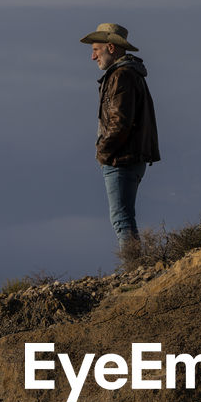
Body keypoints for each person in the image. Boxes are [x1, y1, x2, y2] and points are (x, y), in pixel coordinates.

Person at [80, 22, 160, 256]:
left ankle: (134, 269)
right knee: (124, 217)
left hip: (121, 158)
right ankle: (136, 268)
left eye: (96, 49)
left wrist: (103, 153)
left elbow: (119, 123)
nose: (93, 57)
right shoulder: (128, 73)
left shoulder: (121, 75)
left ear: (111, 47)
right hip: (129, 156)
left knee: (121, 219)